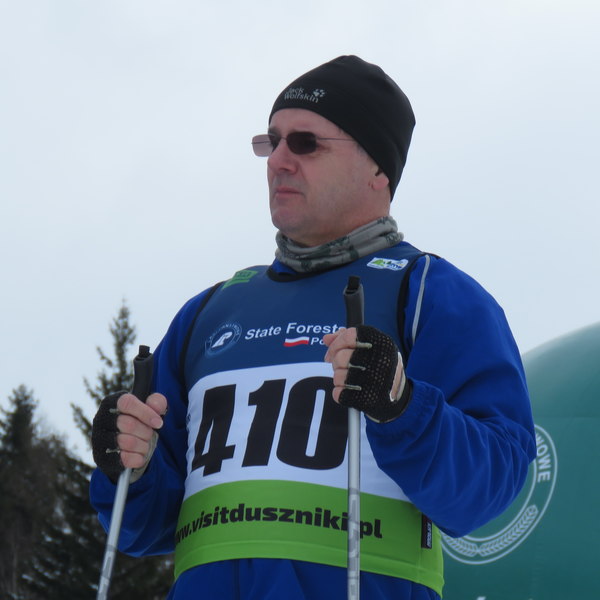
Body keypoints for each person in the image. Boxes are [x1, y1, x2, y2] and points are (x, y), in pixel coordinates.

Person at [90, 55, 536, 600]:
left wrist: (402, 406)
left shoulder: (430, 293)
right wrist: (126, 465)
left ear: (377, 169)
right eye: (271, 141)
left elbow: (492, 489)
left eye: (306, 144)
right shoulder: (211, 311)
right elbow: (144, 526)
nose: (279, 161)